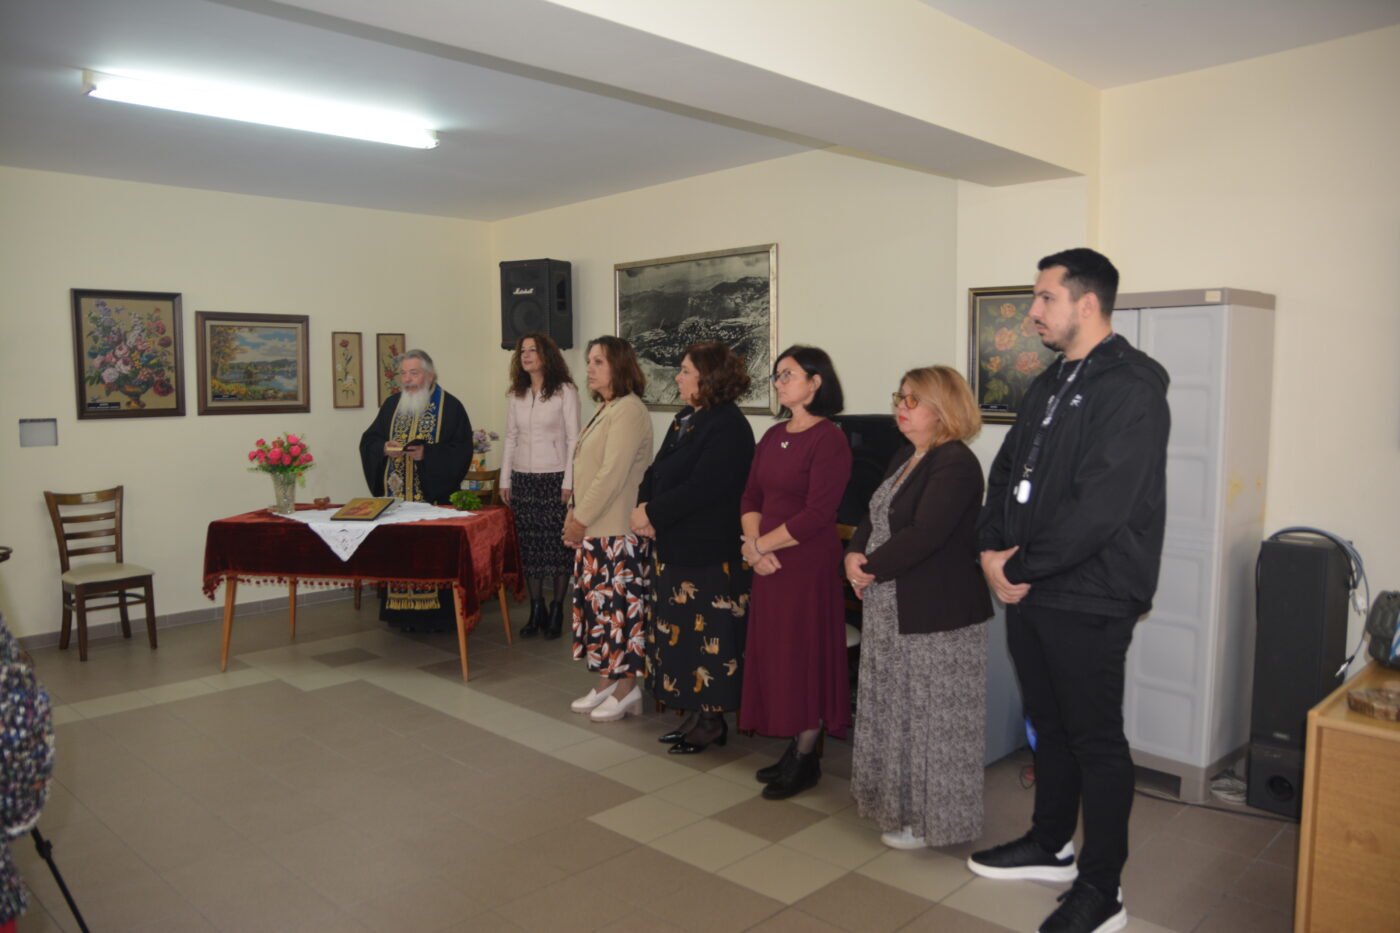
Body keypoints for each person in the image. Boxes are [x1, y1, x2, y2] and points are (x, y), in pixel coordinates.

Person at [971, 248, 1170, 933]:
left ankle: (1102, 888)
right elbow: (1005, 472)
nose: (1033, 311)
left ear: (1087, 303)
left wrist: (1018, 566)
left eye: (1044, 298)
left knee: (1096, 741)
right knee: (1047, 725)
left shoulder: (1133, 387)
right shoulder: (1051, 381)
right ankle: (1050, 842)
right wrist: (989, 550)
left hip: (1090, 592)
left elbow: (1100, 506)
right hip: (1032, 587)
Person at [845, 366, 992, 849]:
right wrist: (853, 554)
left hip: (935, 615)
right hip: (891, 605)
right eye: (900, 397)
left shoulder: (955, 463)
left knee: (930, 724)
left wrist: (868, 569)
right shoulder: (907, 454)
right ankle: (899, 808)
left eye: (914, 400)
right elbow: (874, 513)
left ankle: (931, 823)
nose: (901, 408)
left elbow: (925, 534)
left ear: (944, 410)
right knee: (897, 715)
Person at [739, 345, 852, 799]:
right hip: (768, 564)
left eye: (788, 374)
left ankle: (806, 756)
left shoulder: (830, 439)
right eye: (777, 375)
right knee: (778, 656)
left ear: (815, 382)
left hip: (804, 565)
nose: (779, 382)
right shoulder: (772, 435)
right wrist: (753, 547)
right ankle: (794, 747)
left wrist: (760, 546)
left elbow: (818, 514)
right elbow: (750, 496)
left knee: (802, 656)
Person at [631, 342, 755, 754]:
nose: (678, 377)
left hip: (709, 553)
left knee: (710, 641)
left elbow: (704, 487)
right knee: (681, 639)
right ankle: (696, 713)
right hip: (677, 546)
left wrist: (653, 514)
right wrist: (643, 507)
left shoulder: (728, 425)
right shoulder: (686, 418)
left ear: (709, 377)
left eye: (685, 370)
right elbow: (656, 470)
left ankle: (712, 721)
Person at [564, 336, 654, 722]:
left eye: (598, 361)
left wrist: (579, 519)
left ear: (619, 365)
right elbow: (584, 470)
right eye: (589, 361)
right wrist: (574, 514)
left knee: (620, 614)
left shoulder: (629, 410)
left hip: (616, 530)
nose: (589, 368)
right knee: (600, 613)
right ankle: (606, 680)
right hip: (595, 529)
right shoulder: (606, 408)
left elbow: (611, 474)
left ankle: (627, 689)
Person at [359, 349, 473, 631]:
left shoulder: (450, 407)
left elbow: (461, 451)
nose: (407, 379)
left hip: (431, 502)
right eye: (403, 374)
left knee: (431, 556)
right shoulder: (392, 405)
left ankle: (436, 618)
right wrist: (383, 448)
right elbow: (368, 440)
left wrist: (427, 455)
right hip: (396, 502)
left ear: (430, 376)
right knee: (398, 555)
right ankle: (401, 616)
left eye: (414, 373)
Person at [501, 332, 580, 640]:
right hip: (523, 478)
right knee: (530, 547)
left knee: (557, 548)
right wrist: (505, 479)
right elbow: (510, 437)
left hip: (555, 477)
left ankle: (557, 608)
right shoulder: (517, 393)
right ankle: (537, 609)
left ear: (547, 355)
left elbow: (574, 439)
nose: (526, 355)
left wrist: (569, 481)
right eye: (522, 351)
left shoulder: (565, 391)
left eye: (532, 350)